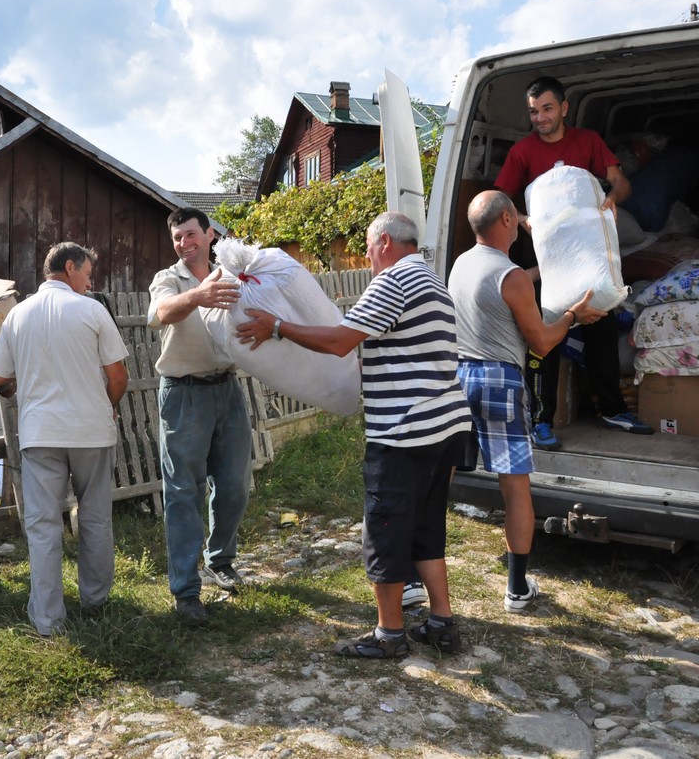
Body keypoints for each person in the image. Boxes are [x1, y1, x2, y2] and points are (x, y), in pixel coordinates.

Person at [237, 212, 473, 657]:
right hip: (445, 425)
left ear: (384, 241)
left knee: (385, 527)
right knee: (426, 525)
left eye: (367, 244)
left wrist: (278, 327)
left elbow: (340, 341)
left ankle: (389, 636)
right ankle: (442, 623)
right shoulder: (430, 280)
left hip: (405, 430)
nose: (365, 254)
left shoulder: (394, 281)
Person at [451, 191, 606, 612]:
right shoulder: (512, 276)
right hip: (500, 380)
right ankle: (517, 588)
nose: (520, 224)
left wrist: (542, 271)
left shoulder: (462, 264)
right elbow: (541, 340)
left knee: (439, 480)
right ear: (505, 219)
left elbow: (504, 289)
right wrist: (574, 316)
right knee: (515, 488)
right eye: (516, 219)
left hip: (459, 377)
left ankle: (415, 574)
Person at [494, 75, 652, 449]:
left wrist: (612, 197)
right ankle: (541, 420)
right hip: (545, 258)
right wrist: (521, 219)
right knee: (543, 337)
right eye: (533, 112)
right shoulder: (523, 153)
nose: (540, 118)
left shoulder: (588, 142)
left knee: (600, 326)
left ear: (564, 108)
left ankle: (612, 410)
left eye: (547, 109)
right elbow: (500, 199)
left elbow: (621, 182)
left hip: (589, 255)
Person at [0, 243, 128, 636]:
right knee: (96, 517)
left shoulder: (17, 315)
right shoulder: (92, 310)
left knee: (43, 525)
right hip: (91, 431)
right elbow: (118, 377)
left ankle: (48, 619)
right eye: (86, 273)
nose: (89, 280)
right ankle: (96, 601)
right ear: (69, 268)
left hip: (40, 434)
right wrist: (109, 405)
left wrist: (20, 389)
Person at [148, 207, 253, 626]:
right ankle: (187, 593)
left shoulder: (232, 272)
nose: (184, 243)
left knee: (234, 486)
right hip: (183, 395)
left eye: (190, 235)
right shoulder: (168, 279)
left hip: (227, 390)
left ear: (210, 235)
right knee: (182, 494)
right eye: (177, 238)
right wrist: (198, 295)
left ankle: (220, 559)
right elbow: (161, 314)